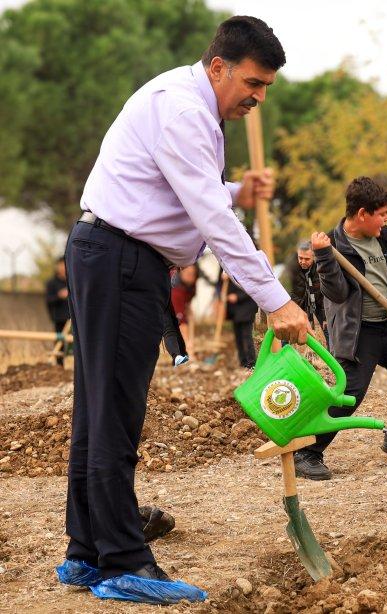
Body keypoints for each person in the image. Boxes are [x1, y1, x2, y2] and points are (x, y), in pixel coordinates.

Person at [59, 16, 309, 605]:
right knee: (113, 413)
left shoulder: (190, 104)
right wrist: (276, 299)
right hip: (120, 261)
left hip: (111, 254)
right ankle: (123, 561)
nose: (258, 96)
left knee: (98, 410)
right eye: (252, 81)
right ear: (217, 66)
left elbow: (181, 190)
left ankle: (84, 553)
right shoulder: (184, 110)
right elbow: (211, 221)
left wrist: (237, 192)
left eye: (267, 87)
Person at [294, 177, 387, 480]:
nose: (386, 219)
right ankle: (308, 452)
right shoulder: (333, 246)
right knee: (350, 394)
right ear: (362, 214)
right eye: (381, 214)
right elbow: (337, 294)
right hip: (358, 332)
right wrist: (324, 257)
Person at [289, 240, 328, 342]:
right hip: (298, 302)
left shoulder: (321, 267)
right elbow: (288, 291)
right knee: (287, 331)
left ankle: (332, 356)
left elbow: (325, 293)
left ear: (314, 257)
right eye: (300, 258)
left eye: (307, 259)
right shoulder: (291, 267)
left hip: (318, 301)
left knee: (328, 329)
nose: (302, 261)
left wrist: (325, 317)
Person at [225, 273, 258, 368]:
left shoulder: (245, 268)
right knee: (238, 337)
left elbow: (251, 288)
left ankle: (251, 363)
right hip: (234, 310)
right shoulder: (224, 266)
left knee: (247, 336)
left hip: (246, 307)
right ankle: (243, 362)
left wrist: (237, 296)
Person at [45, 257, 70, 366]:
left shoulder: (73, 280)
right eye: (60, 265)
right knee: (59, 343)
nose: (63, 268)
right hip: (59, 317)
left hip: (74, 318)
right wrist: (59, 296)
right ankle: (60, 367)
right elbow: (48, 300)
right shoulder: (51, 283)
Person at [170, 265, 199, 351]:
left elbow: (188, 304)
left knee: (188, 317)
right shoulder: (177, 291)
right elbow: (181, 321)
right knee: (181, 321)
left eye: (192, 274)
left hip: (184, 300)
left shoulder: (192, 286)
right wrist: (188, 342)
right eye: (187, 274)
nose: (190, 276)